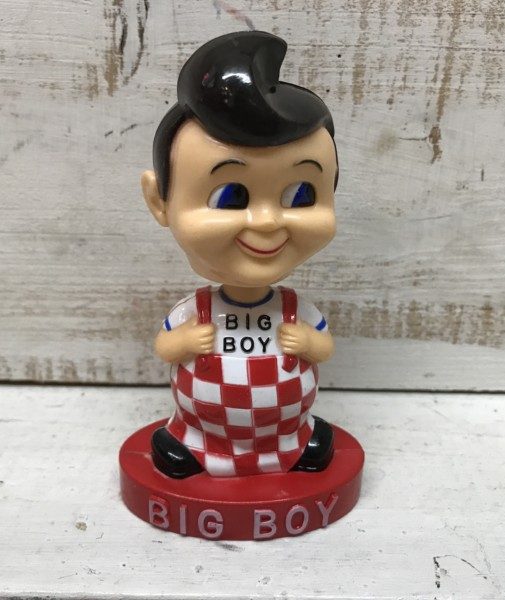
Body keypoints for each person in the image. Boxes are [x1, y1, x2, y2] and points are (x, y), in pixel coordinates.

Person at [140, 31, 339, 479]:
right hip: (203, 434)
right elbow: (164, 346)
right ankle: (192, 447)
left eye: (301, 195)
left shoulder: (295, 311)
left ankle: (296, 444)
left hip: (285, 433)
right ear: (159, 201)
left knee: (309, 447)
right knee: (183, 450)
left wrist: (310, 344)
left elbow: (324, 347)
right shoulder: (195, 311)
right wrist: (183, 343)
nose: (266, 222)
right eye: (231, 197)